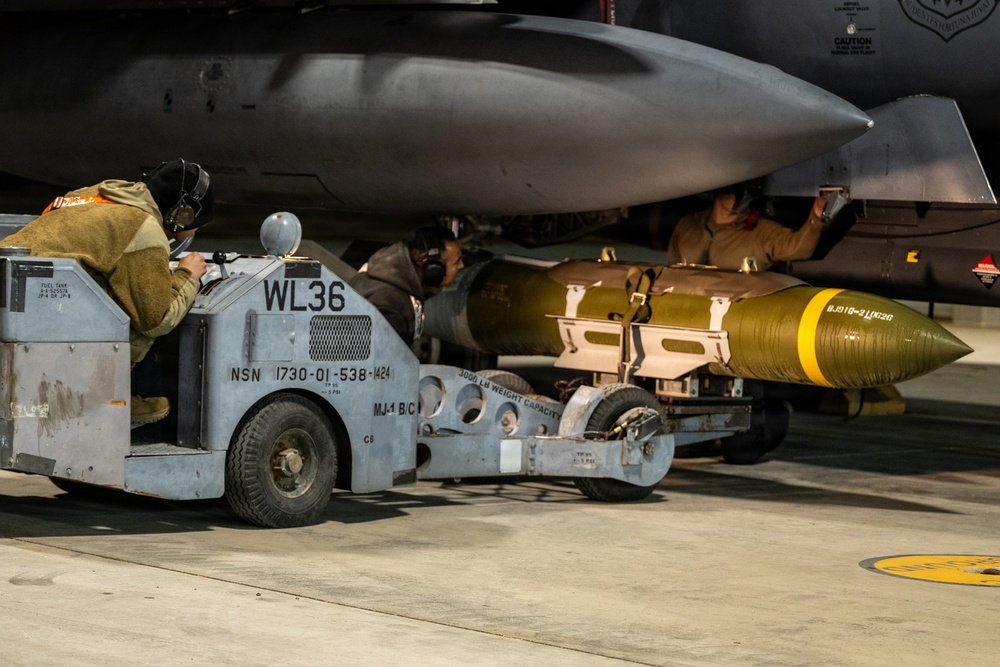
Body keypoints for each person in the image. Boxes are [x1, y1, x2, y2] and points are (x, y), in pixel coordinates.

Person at [0, 159, 212, 424]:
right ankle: (103, 398)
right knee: (147, 305)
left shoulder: (93, 194)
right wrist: (187, 275)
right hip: (45, 314)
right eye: (198, 221)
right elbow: (158, 319)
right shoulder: (141, 226)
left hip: (17, 298)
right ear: (181, 214)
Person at [667, 190, 833, 270]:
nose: (736, 195)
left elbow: (799, 248)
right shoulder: (689, 225)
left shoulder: (760, 232)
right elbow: (672, 270)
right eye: (732, 189)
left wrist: (817, 216)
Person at [349, 227, 464, 343]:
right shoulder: (393, 307)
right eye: (456, 262)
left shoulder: (378, 277)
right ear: (434, 270)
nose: (461, 265)